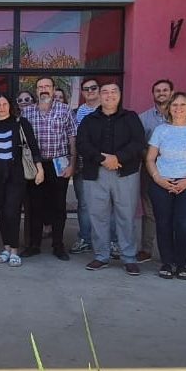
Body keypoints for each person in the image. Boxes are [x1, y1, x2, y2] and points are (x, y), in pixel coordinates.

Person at [77, 83, 146, 274]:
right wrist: (102, 158)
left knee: (126, 215)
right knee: (98, 216)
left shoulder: (131, 118)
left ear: (119, 95)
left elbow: (138, 142)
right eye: (105, 92)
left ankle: (129, 257)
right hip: (95, 173)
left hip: (125, 173)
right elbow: (82, 144)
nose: (109, 95)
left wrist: (118, 158)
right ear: (100, 96)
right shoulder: (89, 120)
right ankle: (101, 255)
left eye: (113, 92)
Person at [145, 92, 186, 281]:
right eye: (174, 105)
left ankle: (181, 264)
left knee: (183, 225)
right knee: (164, 224)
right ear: (169, 108)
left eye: (182, 105)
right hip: (162, 183)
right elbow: (150, 158)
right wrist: (158, 179)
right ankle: (167, 263)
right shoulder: (161, 130)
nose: (178, 108)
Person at [0, 93, 43, 267]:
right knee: (1, 212)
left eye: (4, 104)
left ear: (10, 106)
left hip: (16, 174)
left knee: (12, 211)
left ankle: (15, 250)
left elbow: (32, 146)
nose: (2, 107)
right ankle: (6, 247)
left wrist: (39, 170)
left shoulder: (20, 123)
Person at [21, 77, 76, 260]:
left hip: (58, 164)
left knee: (58, 207)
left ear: (53, 90)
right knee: (35, 206)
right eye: (40, 87)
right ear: (36, 91)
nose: (44, 90)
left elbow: (72, 138)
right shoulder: (27, 113)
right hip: (36, 166)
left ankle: (58, 245)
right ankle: (34, 244)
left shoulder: (64, 110)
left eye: (47, 86)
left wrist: (72, 164)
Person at [137, 78, 175, 263]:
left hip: (176, 171)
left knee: (173, 212)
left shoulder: (181, 116)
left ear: (172, 93)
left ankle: (174, 253)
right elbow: (139, 144)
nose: (161, 93)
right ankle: (146, 249)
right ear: (153, 94)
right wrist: (151, 159)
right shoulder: (144, 118)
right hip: (150, 170)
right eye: (157, 90)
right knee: (150, 211)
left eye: (165, 90)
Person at [70, 78, 102, 255]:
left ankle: (110, 241)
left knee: (108, 204)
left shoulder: (108, 110)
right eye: (86, 89)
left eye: (93, 88)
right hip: (83, 165)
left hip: (106, 165)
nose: (90, 91)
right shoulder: (76, 113)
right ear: (82, 92)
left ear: (99, 90)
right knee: (83, 204)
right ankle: (85, 238)